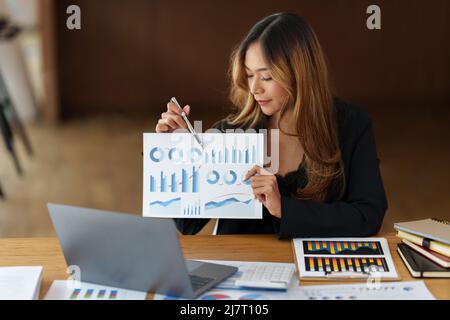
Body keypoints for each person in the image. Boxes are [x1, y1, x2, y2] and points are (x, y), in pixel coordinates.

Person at [155, 12, 387, 239]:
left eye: (266, 77)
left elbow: (368, 216)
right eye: (248, 75)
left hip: (314, 271)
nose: (255, 88)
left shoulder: (351, 124)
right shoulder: (230, 132)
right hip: (242, 272)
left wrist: (284, 209)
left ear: (300, 74)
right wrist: (176, 153)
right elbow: (188, 224)